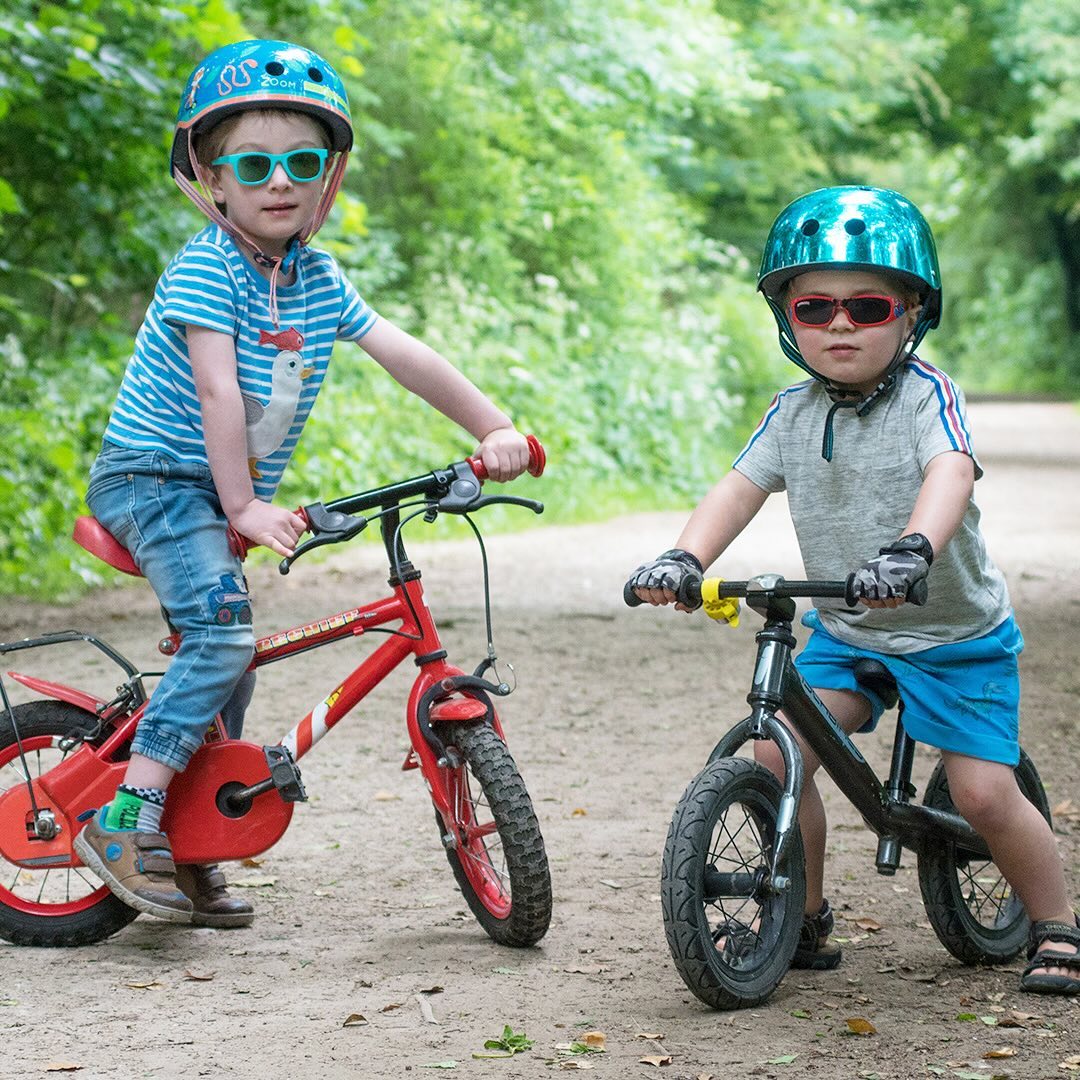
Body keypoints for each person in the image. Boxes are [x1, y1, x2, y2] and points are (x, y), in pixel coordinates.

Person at [73, 40, 531, 929]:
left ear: (330, 177)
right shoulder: (208, 267)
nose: (279, 181)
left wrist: (492, 425)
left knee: (228, 665)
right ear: (211, 178)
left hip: (210, 492)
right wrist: (242, 505)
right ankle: (124, 817)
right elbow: (215, 392)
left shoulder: (316, 277)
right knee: (222, 634)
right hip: (154, 481)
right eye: (254, 164)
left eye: (302, 163)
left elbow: (402, 352)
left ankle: (189, 836)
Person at [627, 186, 1079, 995]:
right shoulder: (791, 413)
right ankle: (803, 914)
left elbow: (949, 473)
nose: (840, 324)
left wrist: (913, 549)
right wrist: (684, 557)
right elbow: (738, 488)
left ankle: (1055, 923)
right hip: (850, 630)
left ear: (911, 315)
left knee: (980, 790)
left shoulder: (926, 400)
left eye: (867, 305)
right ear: (788, 318)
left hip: (952, 635)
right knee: (776, 750)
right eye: (815, 307)